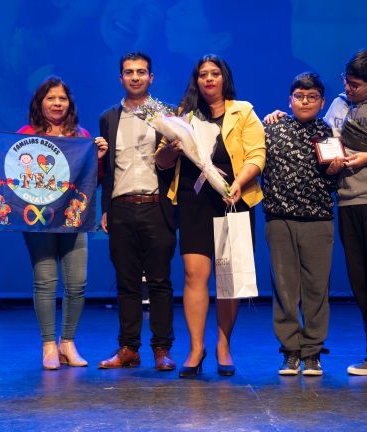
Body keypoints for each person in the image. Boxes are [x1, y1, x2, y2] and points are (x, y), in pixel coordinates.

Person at [265, 48, 367, 382]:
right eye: (346, 81)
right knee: (360, 280)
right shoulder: (339, 105)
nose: (348, 88)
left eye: (355, 84)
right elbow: (316, 135)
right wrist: (279, 115)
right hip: (347, 201)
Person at [0, 76, 106, 370]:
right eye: (51, 98)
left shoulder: (81, 136)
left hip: (72, 219)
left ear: (70, 104)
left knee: (77, 283)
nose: (57, 103)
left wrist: (99, 158)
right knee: (45, 281)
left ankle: (68, 343)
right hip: (37, 220)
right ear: (40, 103)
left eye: (62, 98)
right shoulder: (25, 135)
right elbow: (3, 168)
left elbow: (92, 182)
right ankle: (49, 345)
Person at [155, 54, 266, 378]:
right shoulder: (183, 115)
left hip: (234, 199)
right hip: (194, 201)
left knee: (229, 280)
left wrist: (239, 183)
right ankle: (195, 348)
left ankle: (223, 346)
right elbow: (161, 161)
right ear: (196, 81)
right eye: (202, 74)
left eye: (214, 73)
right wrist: (171, 150)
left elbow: (257, 154)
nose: (208, 79)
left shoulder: (242, 111)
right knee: (194, 275)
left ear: (224, 78)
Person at [94, 52, 178, 371]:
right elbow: (107, 169)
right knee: (126, 282)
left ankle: (162, 349)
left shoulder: (166, 114)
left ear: (151, 78)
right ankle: (128, 348)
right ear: (121, 78)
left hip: (157, 206)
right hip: (121, 208)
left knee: (159, 281)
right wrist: (105, 208)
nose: (135, 77)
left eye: (141, 72)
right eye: (129, 72)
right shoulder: (108, 118)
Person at [262, 72, 336, 377]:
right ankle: (290, 351)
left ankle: (313, 352)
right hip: (280, 219)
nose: (305, 102)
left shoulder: (328, 133)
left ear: (322, 102)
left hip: (318, 219)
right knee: (284, 288)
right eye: (299, 96)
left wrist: (335, 170)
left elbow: (334, 180)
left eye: (312, 97)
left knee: (317, 289)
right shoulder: (272, 128)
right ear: (290, 100)